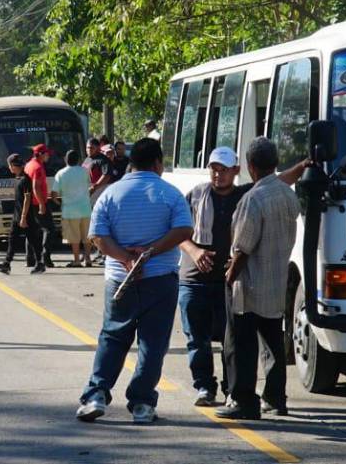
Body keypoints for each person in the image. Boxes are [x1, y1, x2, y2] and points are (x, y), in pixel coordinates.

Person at [76, 138, 193, 425]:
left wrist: (126, 260)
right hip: (160, 280)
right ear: (157, 163)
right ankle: (141, 403)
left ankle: (97, 395)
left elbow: (98, 237)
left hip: (119, 280)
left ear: (131, 163)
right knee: (152, 344)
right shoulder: (170, 194)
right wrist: (151, 250)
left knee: (113, 337)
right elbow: (184, 229)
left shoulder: (110, 193)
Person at [215, 138, 300, 420]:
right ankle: (276, 399)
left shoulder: (253, 199)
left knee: (243, 344)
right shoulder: (288, 195)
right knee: (274, 341)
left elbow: (242, 247)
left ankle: (243, 400)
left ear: (250, 167)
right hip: (276, 279)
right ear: (274, 163)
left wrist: (230, 274)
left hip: (249, 284)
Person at [177, 146, 250, 407]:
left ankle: (232, 389)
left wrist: (302, 167)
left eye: (223, 170)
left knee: (230, 339)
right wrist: (195, 251)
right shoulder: (195, 196)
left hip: (227, 282)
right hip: (193, 280)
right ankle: (204, 387)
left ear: (236, 171)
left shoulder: (245, 196)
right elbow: (177, 231)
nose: (217, 175)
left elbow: (275, 182)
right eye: (213, 169)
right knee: (197, 339)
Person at [0, 154, 39, 274]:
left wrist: (23, 217)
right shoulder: (18, 178)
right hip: (17, 215)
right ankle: (7, 264)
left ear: (13, 165)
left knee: (32, 240)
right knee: (12, 239)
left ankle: (40, 263)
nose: (9, 168)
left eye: (9, 166)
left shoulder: (25, 179)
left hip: (25, 216)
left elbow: (27, 199)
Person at [51, 150, 93, 268]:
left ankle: (77, 260)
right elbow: (89, 186)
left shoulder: (61, 173)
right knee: (87, 236)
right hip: (85, 208)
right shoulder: (84, 172)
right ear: (78, 160)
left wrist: (59, 203)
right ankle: (88, 259)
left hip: (70, 210)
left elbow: (53, 194)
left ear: (65, 159)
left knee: (74, 237)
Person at [24, 143, 56, 269]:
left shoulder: (28, 165)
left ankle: (30, 258)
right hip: (38, 203)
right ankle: (45, 256)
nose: (48, 156)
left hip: (30, 203)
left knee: (32, 229)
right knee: (49, 229)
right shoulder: (37, 167)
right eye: (47, 154)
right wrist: (42, 204)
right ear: (41, 154)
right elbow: (35, 187)